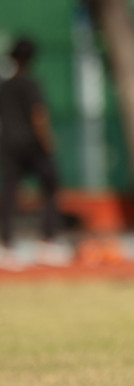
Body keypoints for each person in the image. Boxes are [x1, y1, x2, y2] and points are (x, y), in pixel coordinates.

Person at [0, 38, 69, 269]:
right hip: (32, 146)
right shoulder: (31, 85)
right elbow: (38, 116)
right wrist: (48, 143)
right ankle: (48, 241)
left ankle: (5, 244)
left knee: (9, 193)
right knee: (51, 185)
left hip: (8, 146)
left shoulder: (5, 87)